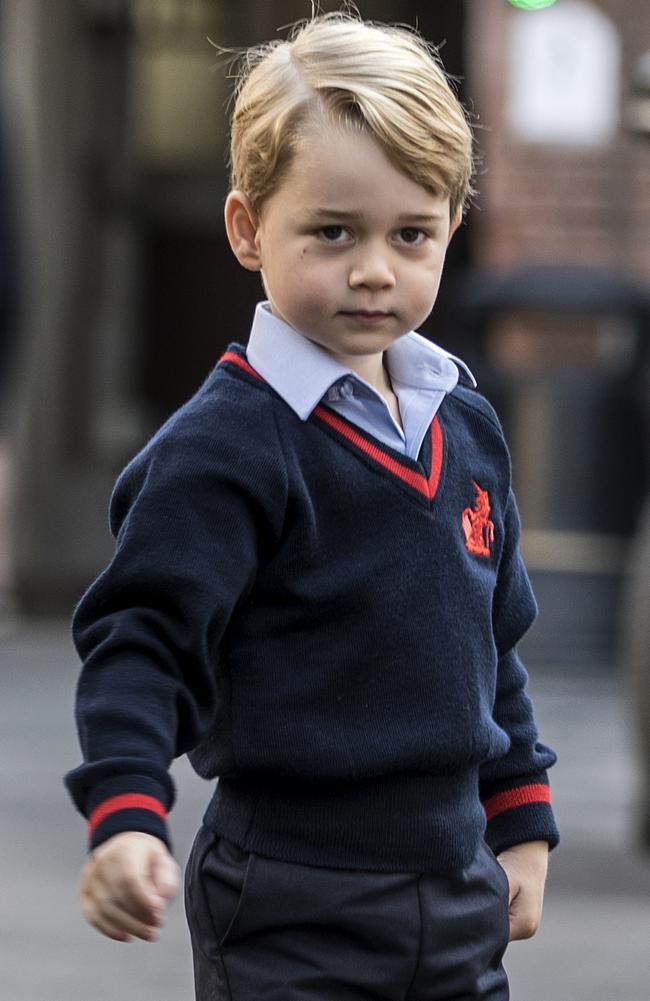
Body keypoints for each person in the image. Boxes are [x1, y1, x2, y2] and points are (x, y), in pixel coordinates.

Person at [65, 13, 559, 1000]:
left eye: (408, 233)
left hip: (456, 886)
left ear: (450, 227)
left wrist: (521, 820)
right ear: (248, 228)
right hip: (293, 896)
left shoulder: (462, 422)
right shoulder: (227, 444)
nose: (373, 268)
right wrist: (125, 811)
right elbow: (141, 640)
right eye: (332, 232)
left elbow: (489, 647)